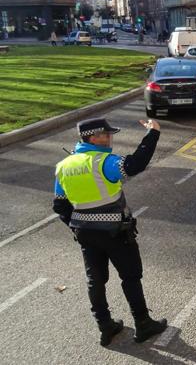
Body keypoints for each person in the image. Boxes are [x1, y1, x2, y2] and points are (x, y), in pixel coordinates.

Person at [52, 118, 167, 347]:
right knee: (130, 277)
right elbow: (135, 164)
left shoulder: (64, 166)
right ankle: (143, 324)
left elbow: (60, 206)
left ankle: (106, 328)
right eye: (107, 134)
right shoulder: (104, 161)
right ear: (93, 137)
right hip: (115, 232)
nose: (111, 138)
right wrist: (153, 133)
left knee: (95, 281)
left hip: (85, 234)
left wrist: (76, 225)